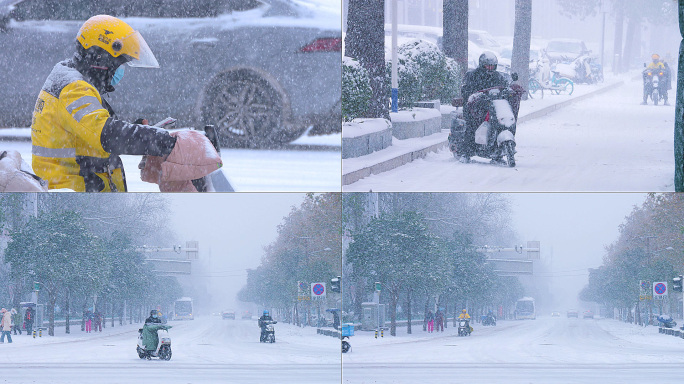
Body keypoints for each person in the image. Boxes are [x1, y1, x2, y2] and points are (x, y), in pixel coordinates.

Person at [30, 14, 222, 192]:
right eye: (119, 65)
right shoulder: (73, 89)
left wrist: (139, 132)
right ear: (101, 58)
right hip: (76, 203)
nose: (120, 73)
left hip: (83, 196)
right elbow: (107, 134)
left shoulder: (71, 80)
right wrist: (162, 141)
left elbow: (88, 131)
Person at [458, 51, 520, 164]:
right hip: (476, 106)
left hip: (493, 105)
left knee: (498, 122)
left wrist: (510, 90)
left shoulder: (498, 76)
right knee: (472, 125)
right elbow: (466, 90)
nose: (490, 68)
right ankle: (466, 152)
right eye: (488, 66)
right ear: (482, 65)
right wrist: (475, 95)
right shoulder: (472, 75)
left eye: (492, 66)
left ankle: (497, 153)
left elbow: (505, 86)